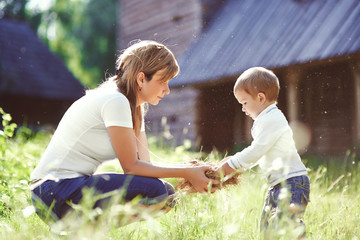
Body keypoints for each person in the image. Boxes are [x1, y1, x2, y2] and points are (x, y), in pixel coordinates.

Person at [30, 40, 218, 222]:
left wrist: (190, 169)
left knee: (167, 194)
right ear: (141, 78)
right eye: (163, 81)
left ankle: (83, 233)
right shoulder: (116, 101)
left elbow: (145, 165)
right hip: (53, 189)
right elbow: (131, 167)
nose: (167, 90)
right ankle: (84, 233)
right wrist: (186, 173)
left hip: (65, 188)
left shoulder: (132, 107)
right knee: (157, 192)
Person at [217, 67, 310, 237]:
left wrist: (231, 165)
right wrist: (232, 160)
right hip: (277, 184)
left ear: (260, 98)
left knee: (285, 226)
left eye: (244, 103)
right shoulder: (265, 119)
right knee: (267, 228)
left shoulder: (272, 119)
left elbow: (257, 150)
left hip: (292, 182)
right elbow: (258, 153)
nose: (243, 109)